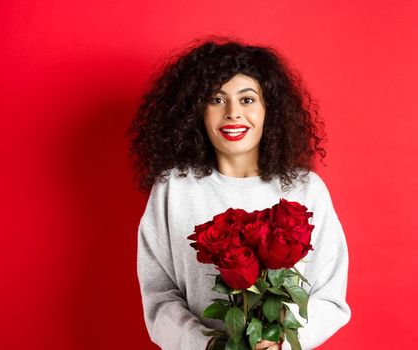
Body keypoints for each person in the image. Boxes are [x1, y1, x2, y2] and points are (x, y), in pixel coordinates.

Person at [128, 36, 351, 350]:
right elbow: (159, 296)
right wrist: (205, 345)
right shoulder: (173, 189)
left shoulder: (306, 190)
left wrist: (282, 344)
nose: (232, 112)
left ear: (268, 110)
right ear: (197, 112)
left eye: (247, 100)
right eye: (217, 100)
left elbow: (329, 298)